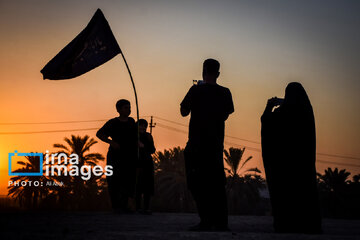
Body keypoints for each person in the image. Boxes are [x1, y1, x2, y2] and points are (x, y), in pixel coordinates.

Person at [180, 58, 234, 231]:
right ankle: (221, 222)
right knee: (216, 184)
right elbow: (226, 114)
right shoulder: (225, 92)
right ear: (218, 74)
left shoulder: (195, 90)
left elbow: (183, 111)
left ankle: (206, 220)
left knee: (197, 182)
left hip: (196, 144)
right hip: (215, 145)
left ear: (203, 72)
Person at [261, 82, 322, 234]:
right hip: (303, 165)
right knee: (305, 193)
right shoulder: (307, 111)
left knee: (285, 195)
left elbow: (266, 121)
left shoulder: (284, 113)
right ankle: (309, 224)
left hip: (284, 168)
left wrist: (269, 105)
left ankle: (286, 224)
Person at [96, 99, 138, 213]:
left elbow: (135, 136)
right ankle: (116, 206)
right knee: (114, 180)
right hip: (115, 156)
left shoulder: (131, 122)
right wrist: (111, 142)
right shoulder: (113, 123)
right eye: (126, 108)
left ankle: (125, 205)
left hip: (129, 156)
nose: (128, 110)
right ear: (118, 109)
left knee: (128, 180)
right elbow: (99, 134)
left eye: (129, 107)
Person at [135, 119, 156, 214]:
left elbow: (152, 150)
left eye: (144, 126)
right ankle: (138, 207)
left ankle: (147, 208)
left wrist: (143, 146)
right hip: (136, 164)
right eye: (141, 125)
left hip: (147, 163)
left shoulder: (148, 136)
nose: (143, 127)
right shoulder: (133, 136)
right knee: (137, 186)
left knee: (147, 186)